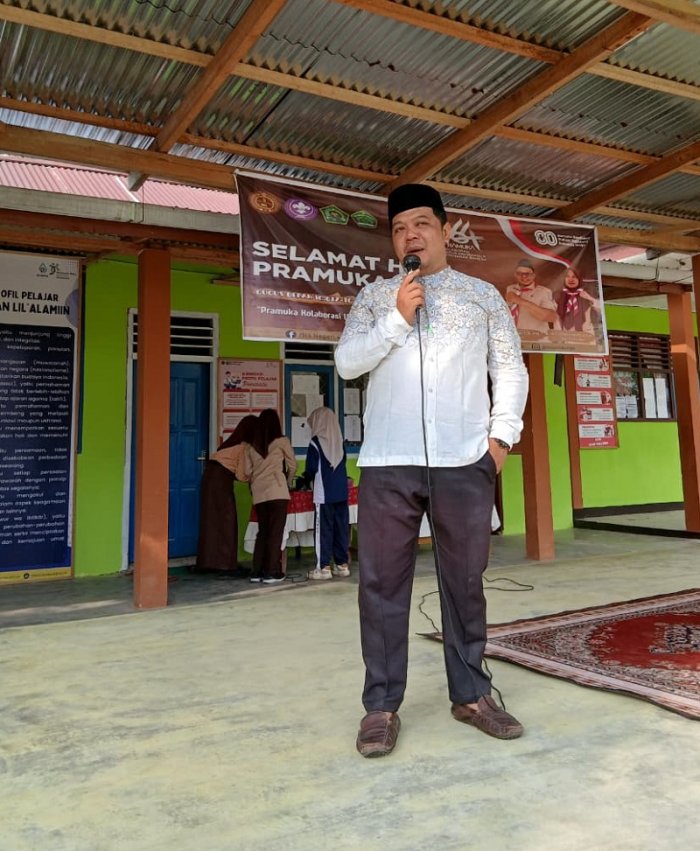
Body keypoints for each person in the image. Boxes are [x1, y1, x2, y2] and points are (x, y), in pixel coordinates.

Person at [335, 183, 529, 758]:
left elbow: (510, 369)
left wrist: (500, 441)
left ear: (445, 230)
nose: (409, 236)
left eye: (420, 224)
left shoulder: (481, 296)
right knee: (380, 586)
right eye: (399, 228)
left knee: (465, 583)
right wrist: (396, 319)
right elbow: (346, 364)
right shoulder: (376, 297)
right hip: (387, 462)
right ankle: (380, 707)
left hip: (463, 461)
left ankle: (471, 695)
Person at [195, 415, 257, 577]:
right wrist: (255, 477)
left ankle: (208, 562)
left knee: (211, 522)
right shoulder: (243, 447)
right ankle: (226, 565)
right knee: (227, 521)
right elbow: (242, 474)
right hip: (220, 482)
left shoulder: (230, 443)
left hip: (210, 479)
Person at [244, 408, 297, 585]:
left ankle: (256, 571)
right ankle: (271, 572)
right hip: (278, 491)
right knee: (275, 533)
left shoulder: (251, 446)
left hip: (259, 493)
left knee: (263, 532)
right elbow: (293, 465)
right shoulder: (282, 441)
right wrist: (288, 481)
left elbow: (247, 472)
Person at [303, 406, 350, 581]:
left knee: (324, 529)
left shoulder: (315, 442)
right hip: (342, 492)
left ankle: (323, 567)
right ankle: (342, 565)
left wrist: (305, 481)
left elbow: (311, 468)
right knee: (341, 528)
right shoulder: (340, 442)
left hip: (324, 493)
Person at [505, 259, 557, 333]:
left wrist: (519, 301)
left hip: (536, 337)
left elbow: (551, 317)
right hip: (514, 335)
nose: (524, 277)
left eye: (528, 274)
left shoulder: (544, 291)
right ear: (515, 275)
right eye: (520, 274)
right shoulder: (510, 288)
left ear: (533, 275)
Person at [555, 266, 600, 334]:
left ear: (579, 279)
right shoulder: (558, 295)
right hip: (564, 335)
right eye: (567, 276)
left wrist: (590, 298)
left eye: (574, 277)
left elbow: (601, 311)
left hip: (586, 335)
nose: (571, 279)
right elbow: (555, 318)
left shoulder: (587, 293)